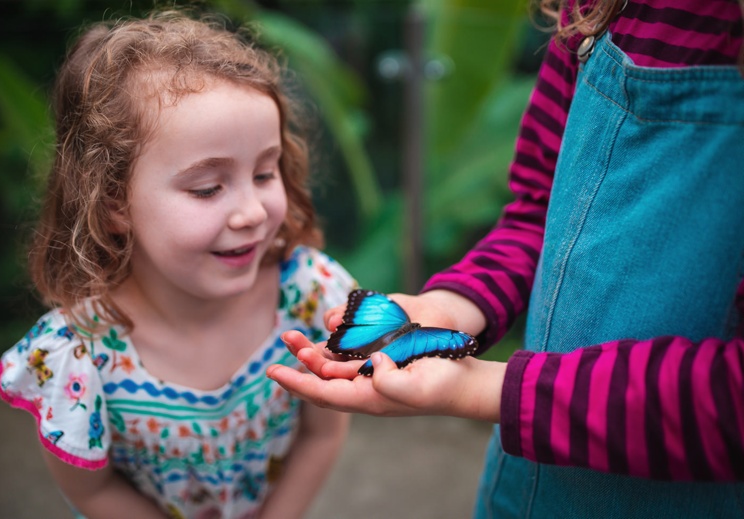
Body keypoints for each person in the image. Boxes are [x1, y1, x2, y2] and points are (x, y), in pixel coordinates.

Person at [267, 0, 744, 517]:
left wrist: (480, 386)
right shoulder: (595, 10)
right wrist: (447, 309)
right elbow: (539, 211)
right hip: (523, 486)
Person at [0, 10, 358, 519]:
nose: (252, 212)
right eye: (208, 187)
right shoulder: (77, 357)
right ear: (114, 201)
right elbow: (93, 492)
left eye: (264, 172)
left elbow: (324, 432)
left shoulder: (311, 297)